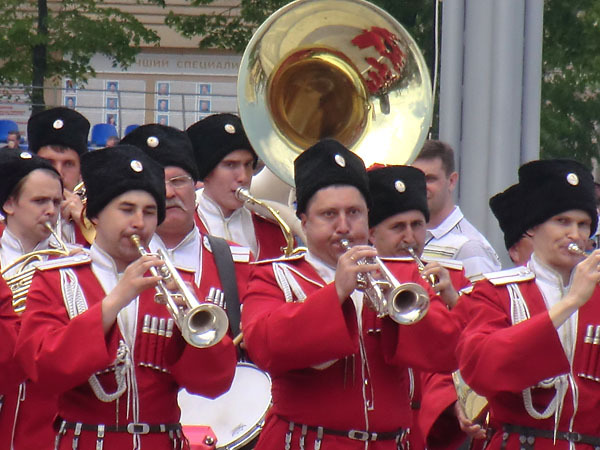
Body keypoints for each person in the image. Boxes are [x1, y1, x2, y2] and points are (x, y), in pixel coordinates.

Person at [241, 139, 460, 450]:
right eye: (329, 214)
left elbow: (446, 352)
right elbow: (265, 347)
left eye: (354, 212)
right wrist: (337, 292)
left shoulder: (403, 275)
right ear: (304, 221)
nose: (344, 226)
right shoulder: (274, 276)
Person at [15, 144, 237, 449]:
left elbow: (214, 384)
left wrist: (191, 332)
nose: (139, 223)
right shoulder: (56, 279)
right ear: (94, 215)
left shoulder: (175, 284)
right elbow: (43, 369)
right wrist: (113, 302)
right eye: (126, 209)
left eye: (149, 212)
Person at [457, 159, 600, 449]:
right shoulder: (495, 292)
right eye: (562, 221)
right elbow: (482, 369)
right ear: (533, 227)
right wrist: (571, 302)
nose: (575, 235)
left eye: (583, 224)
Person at [367, 164, 472, 450]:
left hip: (427, 424)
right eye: (397, 227)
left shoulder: (451, 277)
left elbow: (470, 351)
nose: (410, 238)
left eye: (417, 225)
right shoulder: (361, 279)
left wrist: (453, 300)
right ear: (372, 233)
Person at [121, 124, 251, 318]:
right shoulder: (116, 261)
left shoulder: (238, 262)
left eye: (178, 181)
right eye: (157, 183)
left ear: (195, 185)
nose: (169, 193)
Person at [0, 148, 72, 450]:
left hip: (48, 411)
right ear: (9, 204)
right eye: (40, 201)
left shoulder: (75, 263)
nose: (51, 211)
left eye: (56, 201)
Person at [187, 113, 290, 260]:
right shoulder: (182, 228)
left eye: (248, 164)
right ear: (206, 172)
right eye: (230, 165)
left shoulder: (274, 230)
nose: (243, 177)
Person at [412, 140, 501, 279]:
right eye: (414, 178)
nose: (420, 186)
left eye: (430, 179)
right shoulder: (406, 235)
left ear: (452, 181)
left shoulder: (471, 248)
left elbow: (481, 295)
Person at [27, 107, 91, 245]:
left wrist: (84, 222)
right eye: (48, 162)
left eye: (68, 164)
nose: (58, 173)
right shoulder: (10, 219)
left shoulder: (96, 220)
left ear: (81, 171)